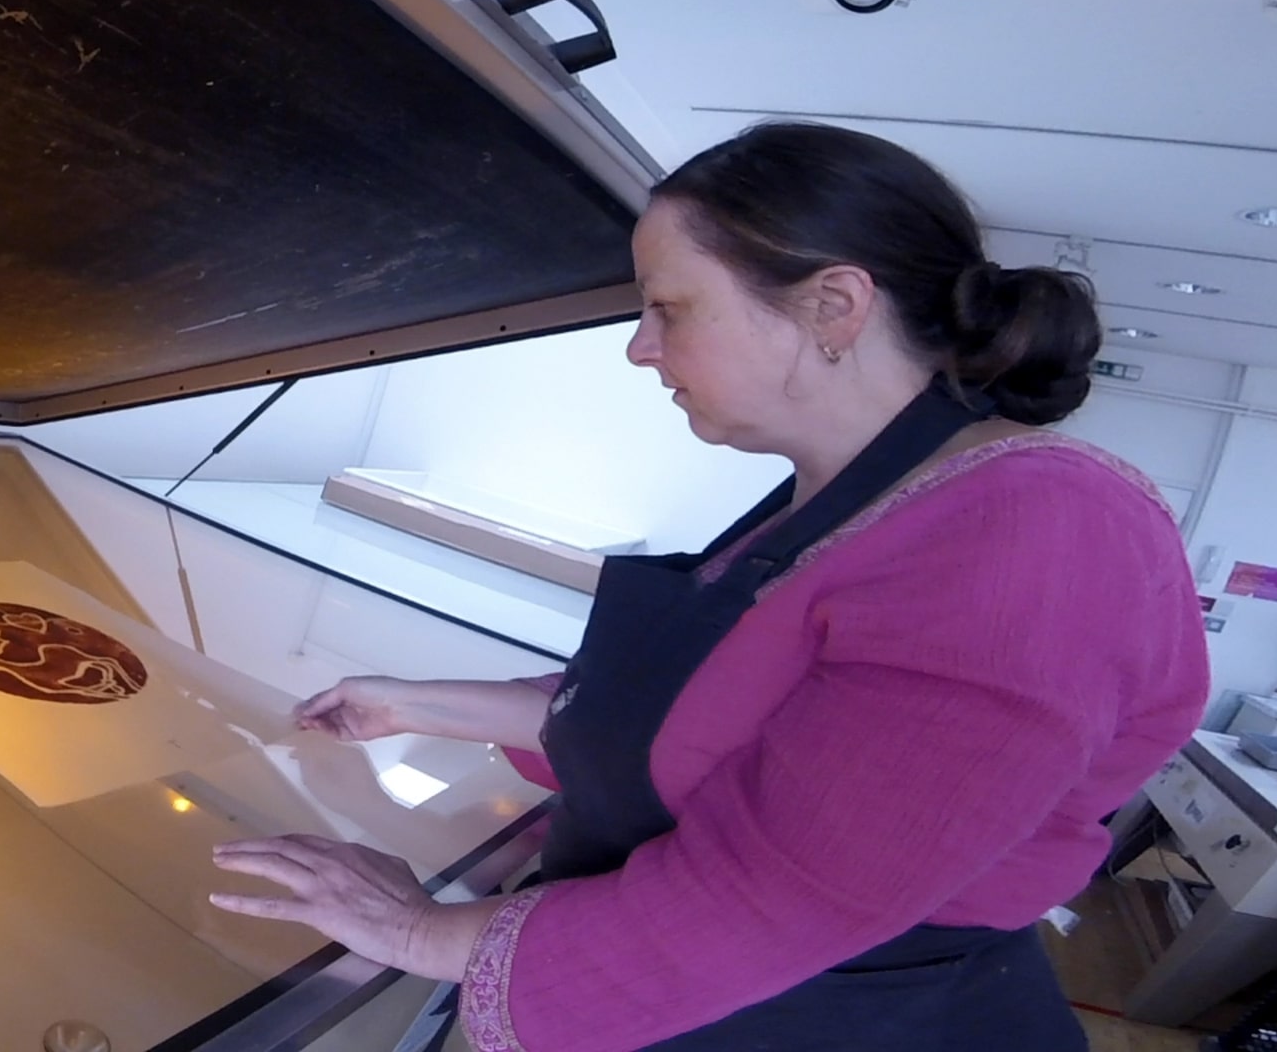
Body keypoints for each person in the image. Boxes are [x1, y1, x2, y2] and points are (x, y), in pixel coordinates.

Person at [207, 122, 1208, 1051]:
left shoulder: (1038, 528)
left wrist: (420, 930)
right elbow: (707, 722)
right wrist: (422, 704)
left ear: (832, 306)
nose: (640, 347)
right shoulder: (841, 500)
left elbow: (789, 893)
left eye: (669, 308)